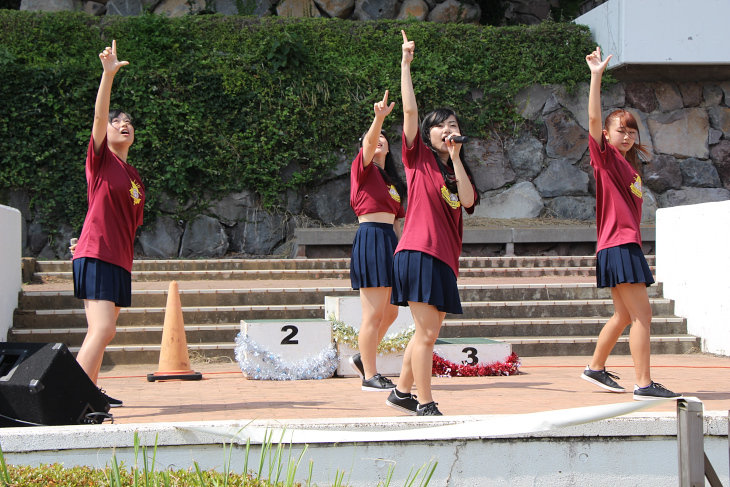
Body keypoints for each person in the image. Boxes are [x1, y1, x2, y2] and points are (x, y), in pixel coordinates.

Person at [385, 31, 479, 416]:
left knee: (427, 332)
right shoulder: (417, 158)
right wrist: (406, 65)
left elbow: (470, 202)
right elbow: (409, 113)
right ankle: (424, 402)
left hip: (443, 259)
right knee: (427, 334)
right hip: (418, 252)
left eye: (452, 124)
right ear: (427, 135)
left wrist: (457, 158)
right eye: (440, 125)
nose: (447, 130)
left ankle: (401, 393)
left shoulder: (455, 171)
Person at [579, 47, 681, 401]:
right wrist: (596, 76)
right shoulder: (605, 159)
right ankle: (643, 384)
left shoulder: (627, 166)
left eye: (631, 131)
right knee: (643, 316)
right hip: (619, 245)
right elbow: (592, 121)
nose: (626, 136)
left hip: (619, 246)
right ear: (606, 136)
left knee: (624, 314)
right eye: (619, 131)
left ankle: (594, 368)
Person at [70, 40, 145, 407]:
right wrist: (108, 75)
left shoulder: (134, 177)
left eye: (128, 122)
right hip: (98, 253)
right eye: (118, 122)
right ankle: (73, 401)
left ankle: (91, 393)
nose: (123, 124)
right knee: (103, 328)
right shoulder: (100, 161)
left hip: (118, 260)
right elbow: (99, 118)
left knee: (102, 332)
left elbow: (129, 223)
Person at [348, 90, 407, 391]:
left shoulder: (391, 181)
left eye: (386, 136)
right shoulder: (364, 169)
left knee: (392, 311)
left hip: (389, 241)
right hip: (370, 237)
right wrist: (378, 118)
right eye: (375, 137)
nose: (380, 139)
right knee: (372, 313)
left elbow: (397, 220)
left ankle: (363, 357)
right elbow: (370, 142)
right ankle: (369, 375)